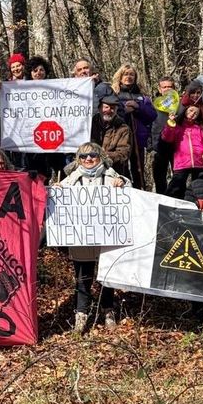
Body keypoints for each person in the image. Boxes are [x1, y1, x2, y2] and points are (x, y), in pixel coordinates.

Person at [58, 141, 128, 332]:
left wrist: (122, 184)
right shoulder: (71, 179)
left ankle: (108, 311)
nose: (89, 159)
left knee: (107, 276)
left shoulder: (111, 175)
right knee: (83, 277)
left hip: (107, 238)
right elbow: (58, 199)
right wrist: (56, 192)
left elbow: (129, 192)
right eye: (84, 156)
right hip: (82, 238)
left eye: (93, 155)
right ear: (78, 159)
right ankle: (81, 314)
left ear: (100, 157)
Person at [109, 64, 157, 189]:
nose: (128, 77)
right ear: (120, 77)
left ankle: (140, 191)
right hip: (119, 139)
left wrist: (138, 107)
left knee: (138, 169)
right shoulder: (115, 94)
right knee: (122, 168)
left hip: (138, 139)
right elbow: (110, 115)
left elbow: (152, 115)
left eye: (131, 74)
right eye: (126, 74)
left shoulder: (142, 95)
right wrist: (124, 111)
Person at [161, 103, 203, 199]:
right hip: (182, 162)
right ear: (185, 111)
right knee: (176, 186)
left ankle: (198, 203)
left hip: (199, 162)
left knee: (200, 186)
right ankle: (168, 203)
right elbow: (167, 138)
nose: (192, 114)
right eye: (191, 110)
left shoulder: (199, 128)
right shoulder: (178, 126)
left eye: (196, 113)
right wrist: (171, 124)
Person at [149, 76, 179, 194]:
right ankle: (161, 201)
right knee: (159, 178)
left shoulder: (179, 104)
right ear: (159, 89)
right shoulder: (153, 105)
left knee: (178, 177)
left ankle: (177, 199)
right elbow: (148, 125)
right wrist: (150, 145)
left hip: (177, 147)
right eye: (164, 87)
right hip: (158, 146)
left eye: (170, 87)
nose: (167, 89)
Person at [91, 95, 134, 176]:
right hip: (89, 168)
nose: (109, 110)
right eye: (106, 107)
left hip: (113, 170)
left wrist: (103, 155)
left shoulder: (123, 128)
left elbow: (124, 154)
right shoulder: (89, 124)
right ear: (99, 108)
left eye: (112, 108)